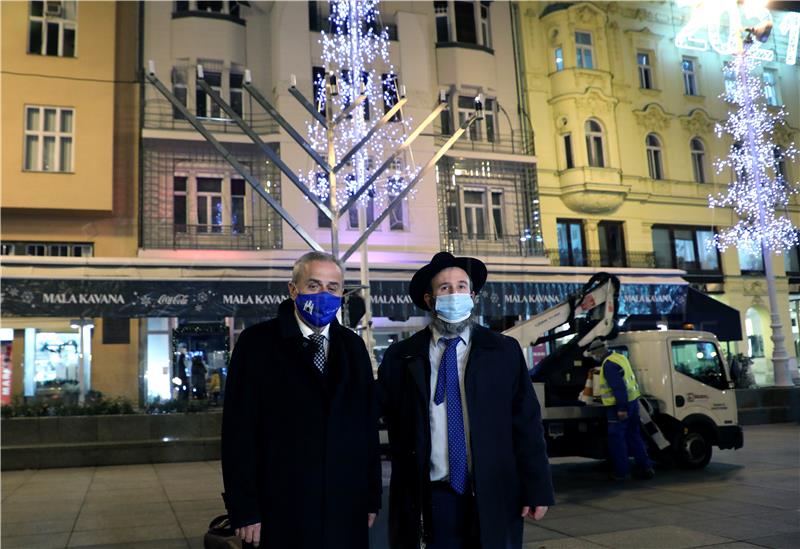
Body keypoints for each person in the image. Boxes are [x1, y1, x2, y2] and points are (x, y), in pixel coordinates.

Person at [377, 252, 554, 549]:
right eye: (445, 288)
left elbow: (526, 423)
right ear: (429, 299)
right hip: (429, 498)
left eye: (461, 286)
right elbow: (375, 415)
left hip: (494, 492)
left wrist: (537, 488)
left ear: (472, 295)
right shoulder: (402, 356)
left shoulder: (503, 351)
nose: (455, 293)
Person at [221, 251, 381, 549]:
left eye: (332, 288)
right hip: (280, 506)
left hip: (344, 504)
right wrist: (244, 509)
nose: (324, 294)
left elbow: (366, 428)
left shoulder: (353, 346)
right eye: (313, 285)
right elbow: (238, 432)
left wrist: (371, 497)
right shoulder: (256, 344)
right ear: (293, 289)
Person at [585, 339, 655, 481]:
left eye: (593, 354)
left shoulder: (609, 365)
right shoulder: (620, 357)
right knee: (634, 436)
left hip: (619, 406)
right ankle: (646, 468)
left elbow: (619, 388)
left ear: (598, 353)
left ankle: (622, 473)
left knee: (617, 439)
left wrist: (621, 409)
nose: (593, 357)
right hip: (633, 402)